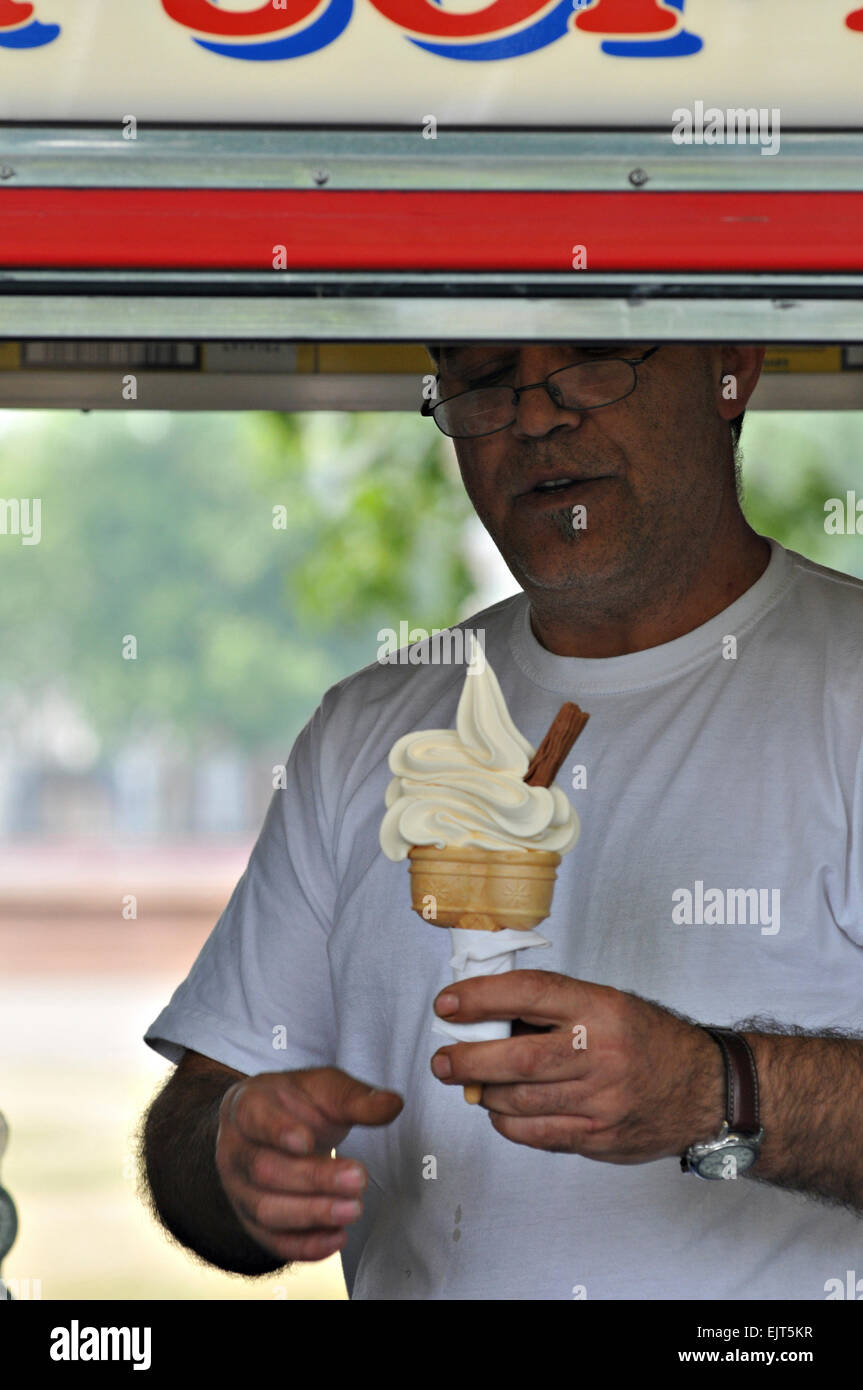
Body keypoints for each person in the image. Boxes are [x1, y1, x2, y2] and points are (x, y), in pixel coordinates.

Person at [141, 341, 863, 1300]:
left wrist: (713, 1090)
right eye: (483, 378)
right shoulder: (370, 725)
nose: (534, 416)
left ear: (730, 367)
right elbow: (199, 1115)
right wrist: (236, 1153)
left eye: (596, 360)